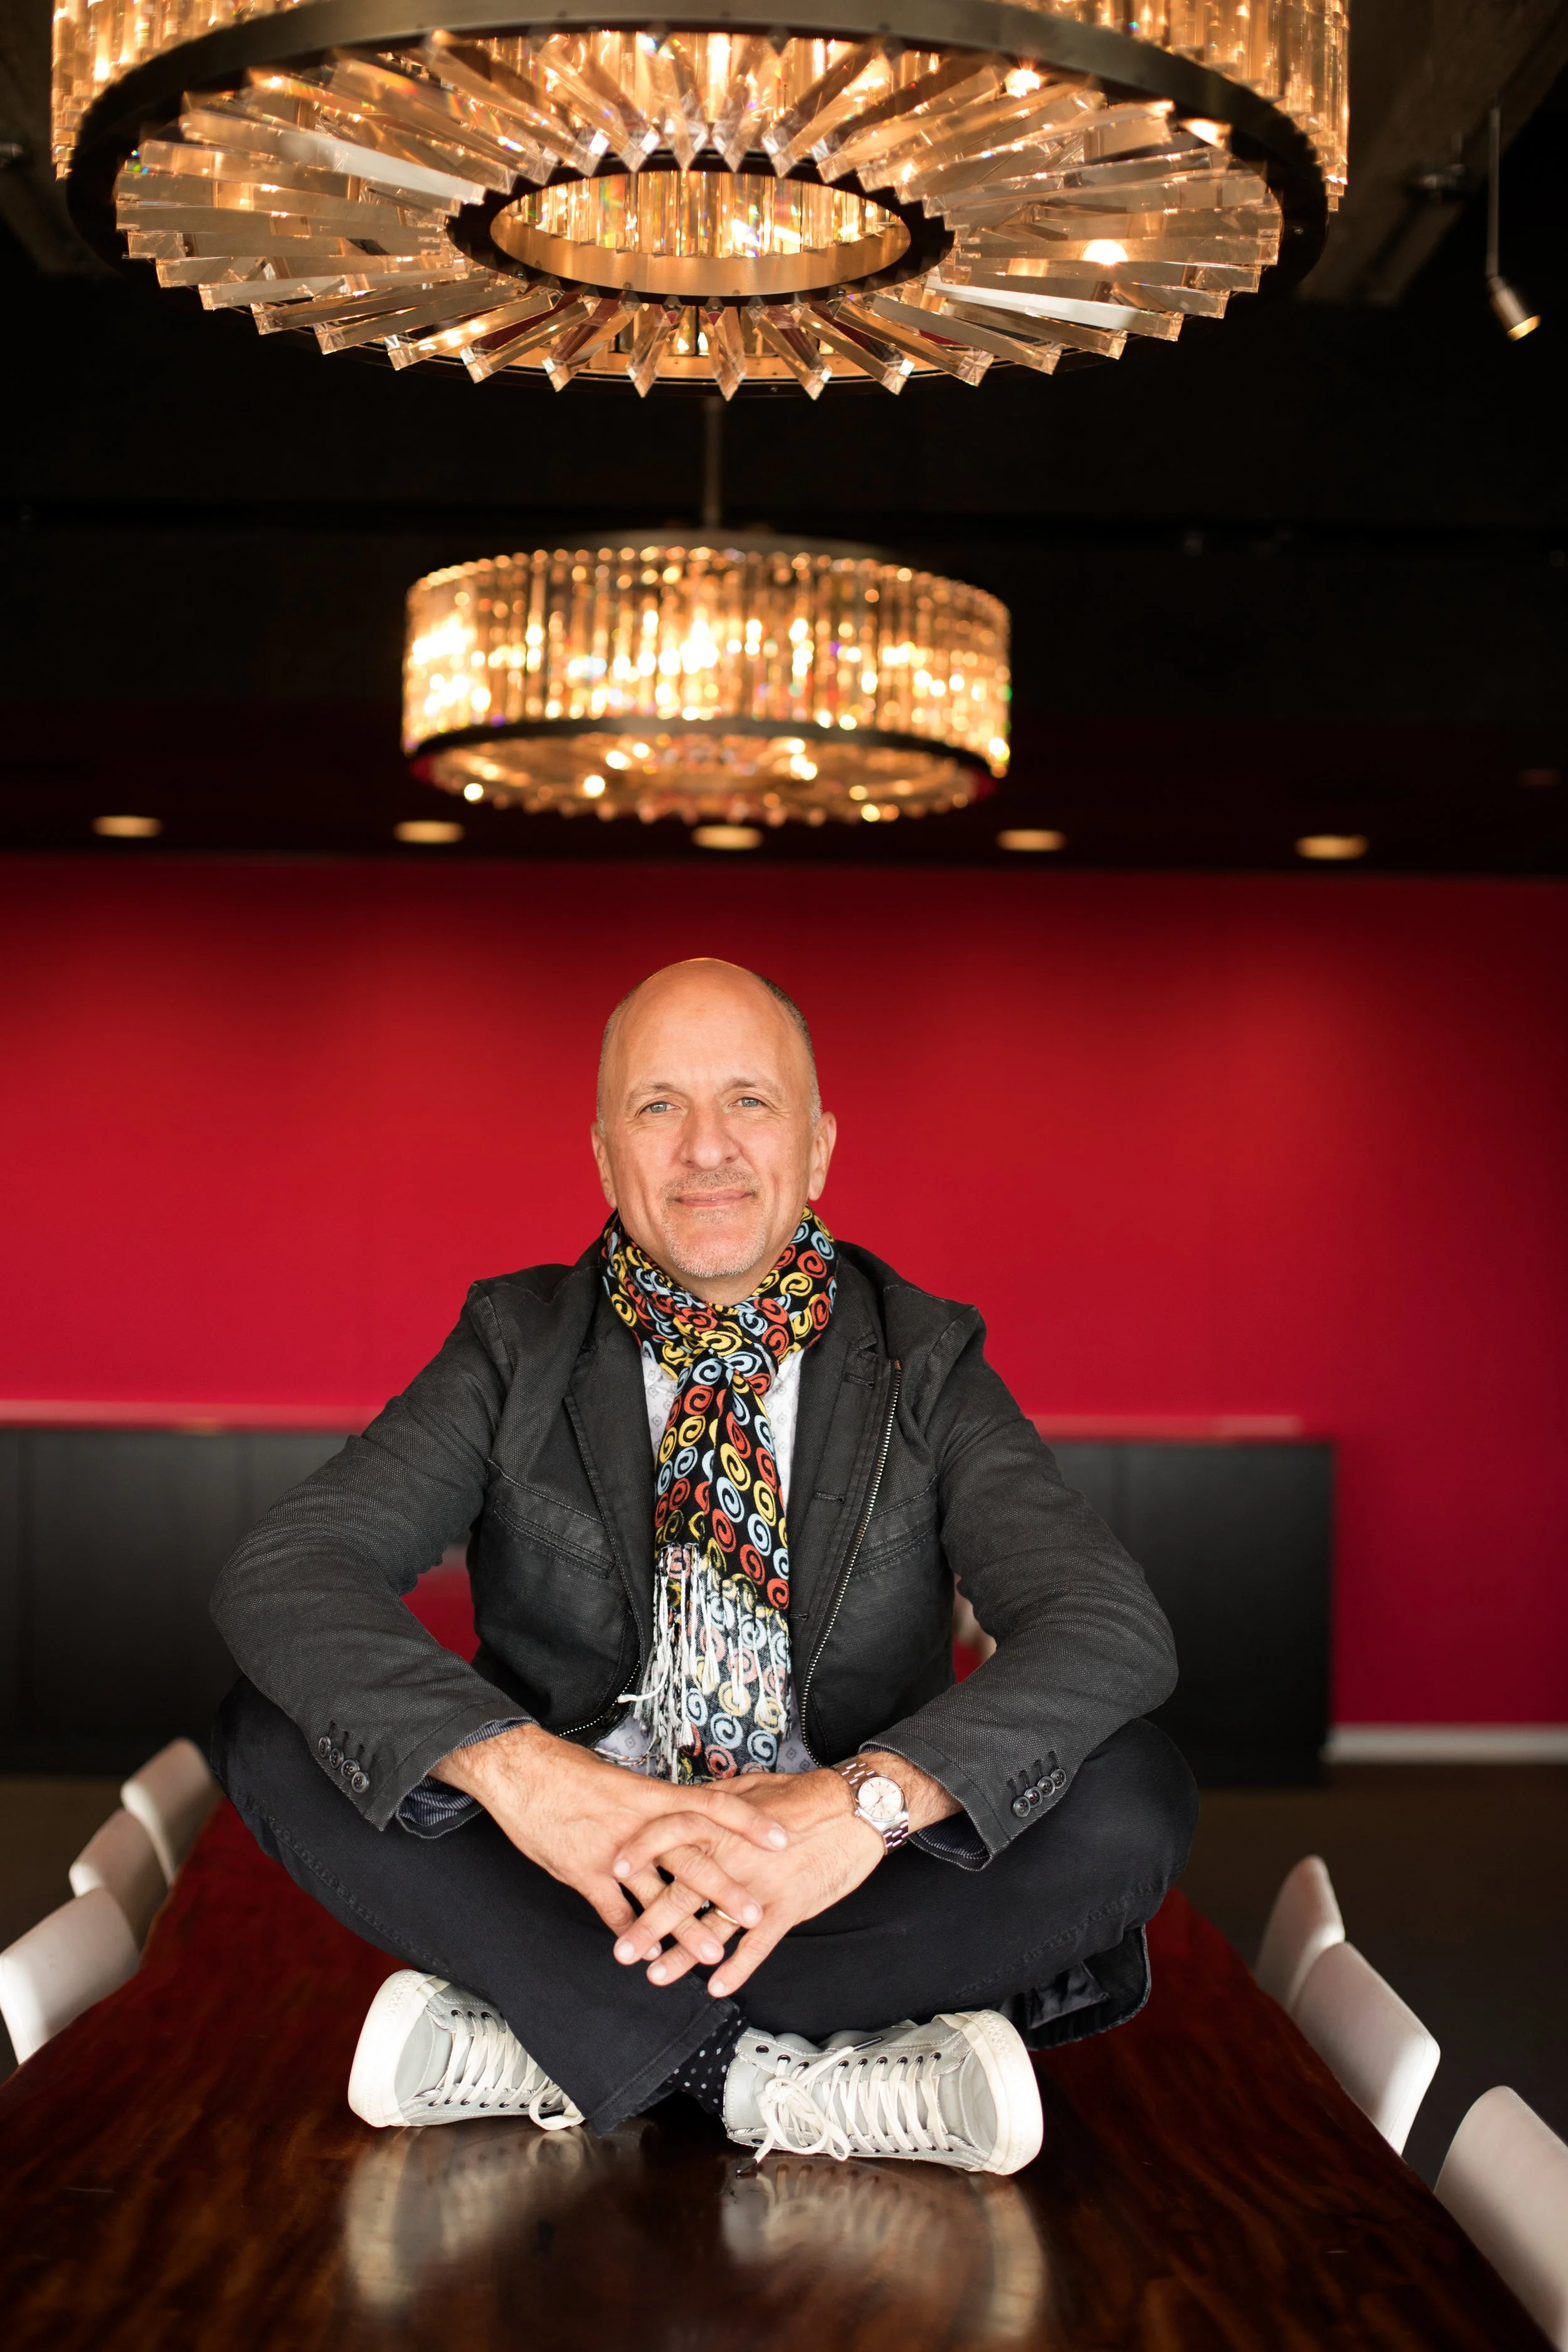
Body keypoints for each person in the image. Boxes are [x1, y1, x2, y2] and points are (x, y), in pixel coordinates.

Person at [211, 960, 1195, 2175]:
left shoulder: (922, 1359)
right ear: (604, 1155)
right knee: (272, 1726)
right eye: (657, 1106)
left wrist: (861, 1805)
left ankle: (565, 2033)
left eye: (749, 1101)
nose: (706, 1147)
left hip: (835, 1883)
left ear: (817, 1148)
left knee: (1132, 1793)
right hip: (575, 1878)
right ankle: (773, 2077)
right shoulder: (515, 1346)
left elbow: (1106, 1624)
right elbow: (291, 1569)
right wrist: (537, 1782)